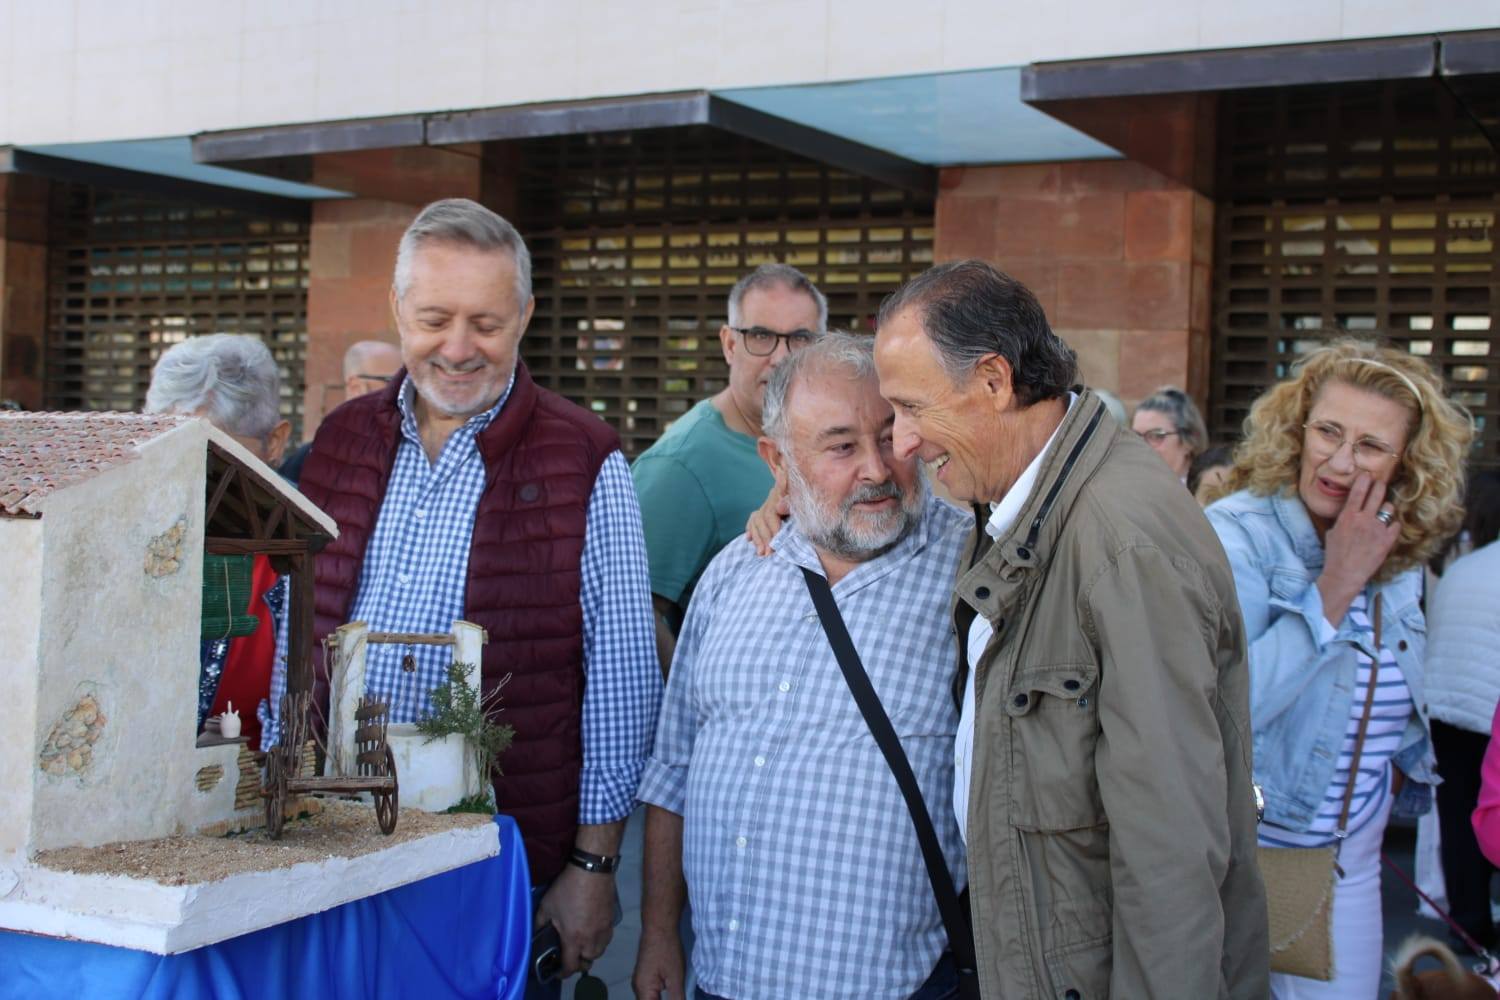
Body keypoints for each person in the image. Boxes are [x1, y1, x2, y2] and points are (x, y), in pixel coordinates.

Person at [269, 198, 661, 992]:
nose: (456, 347)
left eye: (485, 322)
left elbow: (621, 684)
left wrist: (593, 865)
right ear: (397, 310)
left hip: (499, 861)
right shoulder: (336, 444)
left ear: (524, 314)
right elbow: (292, 642)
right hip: (330, 852)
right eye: (434, 317)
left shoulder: (584, 456)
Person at [874, 260, 1267, 999]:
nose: (900, 442)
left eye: (910, 408)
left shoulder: (1121, 541)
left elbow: (1171, 851)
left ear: (994, 381)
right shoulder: (1023, 494)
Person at [634, 332, 969, 1000]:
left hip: (900, 985)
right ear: (777, 460)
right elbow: (673, 772)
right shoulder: (733, 574)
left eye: (890, 435)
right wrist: (658, 934)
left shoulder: (971, 572)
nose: (876, 468)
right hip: (722, 978)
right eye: (841, 446)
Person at [1203, 339, 1472, 998]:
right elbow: (1225, 708)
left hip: (1351, 858)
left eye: (1372, 446)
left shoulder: (1396, 547)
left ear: (1407, 461)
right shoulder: (1238, 533)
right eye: (1328, 431)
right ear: (1297, 429)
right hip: (1252, 855)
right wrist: (1336, 583)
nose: (1341, 461)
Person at [631, 264, 826, 665]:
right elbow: (637, 617)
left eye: (800, 338)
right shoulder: (681, 466)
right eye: (760, 336)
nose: (781, 358)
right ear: (729, 344)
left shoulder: (827, 441)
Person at [145, 332, 293, 750]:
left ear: (275, 442)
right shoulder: (125, 528)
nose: (191, 476)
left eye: (215, 455)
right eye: (167, 451)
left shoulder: (309, 541)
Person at [1426, 470, 1500, 953]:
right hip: (1490, 711)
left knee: (1458, 822)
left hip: (1445, 708)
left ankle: (1467, 926)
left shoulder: (1466, 566)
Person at [279, 339, 403, 484]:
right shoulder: (306, 460)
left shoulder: (413, 458)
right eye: (394, 382)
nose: (403, 391)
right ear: (355, 387)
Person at [1132, 385, 1207, 481]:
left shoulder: (1204, 494)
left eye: (1156, 436)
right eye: (1136, 436)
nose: (1142, 446)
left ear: (1189, 441)